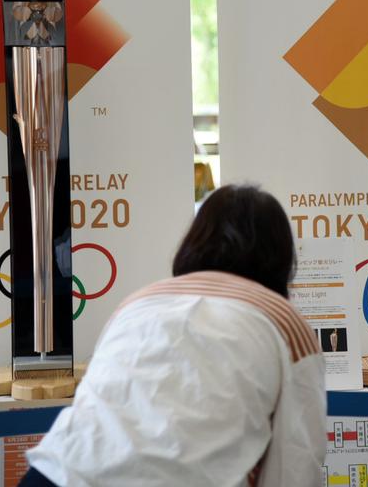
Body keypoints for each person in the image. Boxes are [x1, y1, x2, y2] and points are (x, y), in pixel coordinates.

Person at [22, 185, 327, 487]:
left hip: (59, 472)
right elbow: (296, 462)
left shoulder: (138, 302)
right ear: (281, 256)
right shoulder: (282, 320)